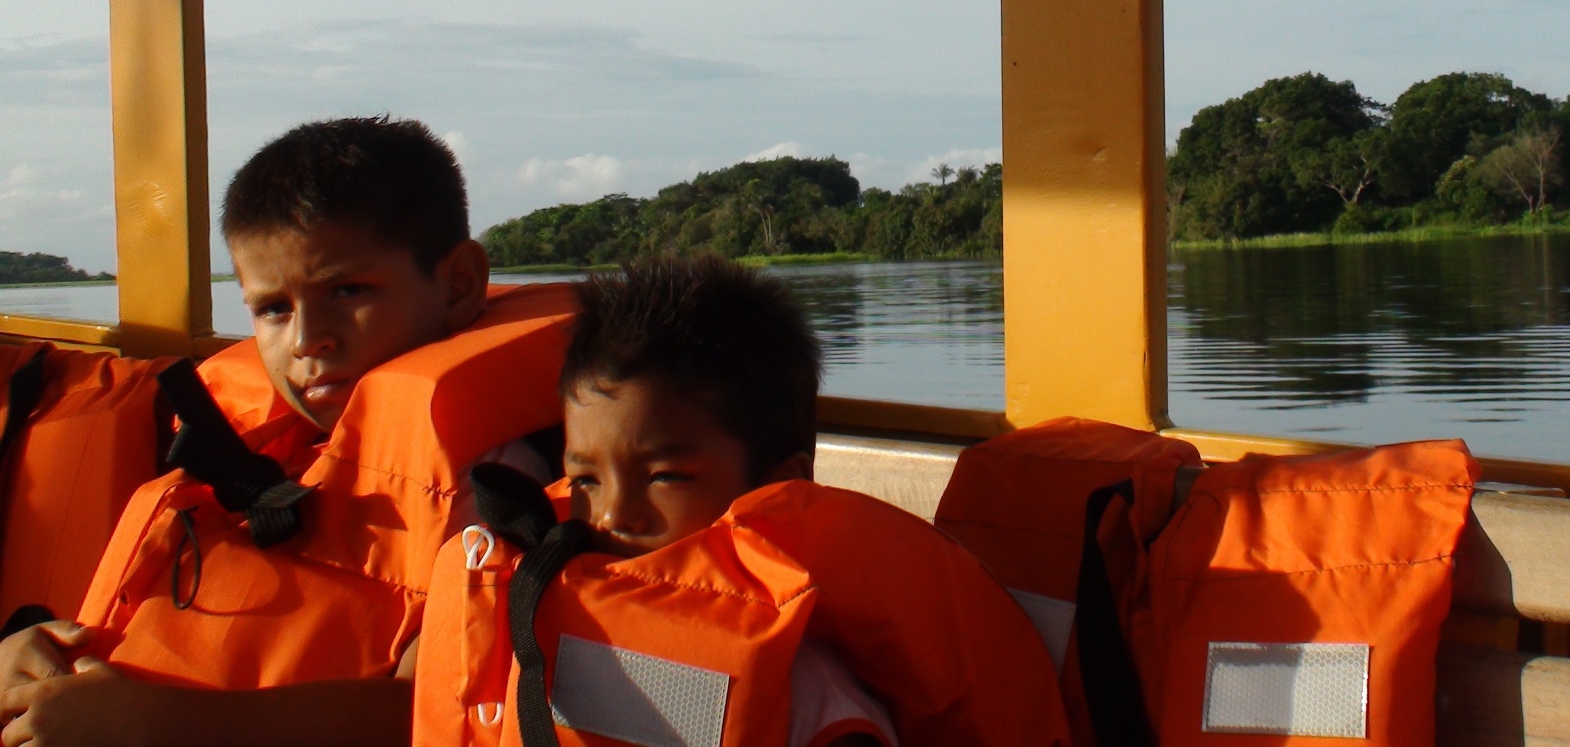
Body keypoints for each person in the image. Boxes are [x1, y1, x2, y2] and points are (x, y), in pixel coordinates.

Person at [0, 116, 572, 747]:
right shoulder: (257, 458)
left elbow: (436, 708)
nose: (306, 341)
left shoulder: (491, 483)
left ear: (460, 284)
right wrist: (36, 665)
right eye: (274, 309)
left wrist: (161, 725)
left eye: (348, 289)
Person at [412, 256, 1069, 747]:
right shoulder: (543, 603)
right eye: (585, 480)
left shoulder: (804, 683)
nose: (612, 515)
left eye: (665, 476)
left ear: (781, 488)